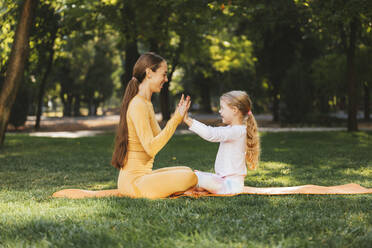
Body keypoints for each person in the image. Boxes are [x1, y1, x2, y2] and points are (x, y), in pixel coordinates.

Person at [112, 52, 197, 199]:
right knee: (190, 177)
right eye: (163, 74)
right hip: (133, 184)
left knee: (188, 170)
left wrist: (177, 117)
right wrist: (175, 120)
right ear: (149, 73)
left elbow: (158, 138)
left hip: (143, 178)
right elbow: (151, 148)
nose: (166, 79)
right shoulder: (138, 104)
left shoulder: (146, 103)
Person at [183, 90, 260, 194]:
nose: (220, 111)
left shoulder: (237, 131)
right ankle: (201, 187)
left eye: (222, 108)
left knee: (196, 177)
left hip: (230, 186)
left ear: (234, 110)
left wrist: (187, 120)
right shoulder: (234, 130)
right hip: (224, 181)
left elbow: (210, 134)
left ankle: (200, 186)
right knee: (195, 175)